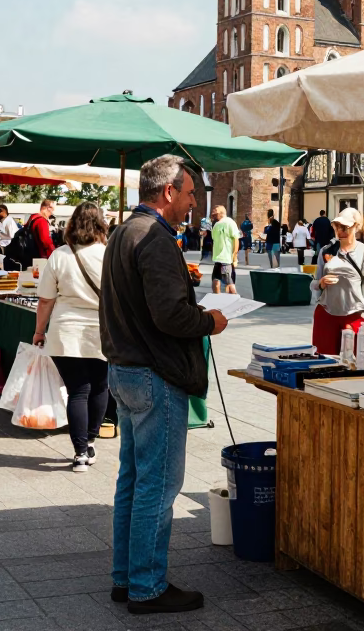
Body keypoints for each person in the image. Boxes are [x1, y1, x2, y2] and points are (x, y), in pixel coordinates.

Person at [100, 155, 228, 615]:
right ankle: (147, 586)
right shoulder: (153, 237)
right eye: (191, 193)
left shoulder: (123, 231)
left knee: (133, 480)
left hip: (127, 369)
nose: (195, 202)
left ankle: (126, 578)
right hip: (154, 374)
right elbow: (171, 315)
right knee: (157, 484)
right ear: (168, 192)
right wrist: (210, 320)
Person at [33, 202, 116, 471]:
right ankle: (90, 440)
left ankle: (80, 451)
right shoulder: (109, 254)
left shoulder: (59, 255)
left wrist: (38, 331)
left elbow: (46, 300)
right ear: (101, 224)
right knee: (100, 387)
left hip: (64, 332)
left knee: (78, 391)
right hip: (101, 332)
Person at [311, 208, 364, 355]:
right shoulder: (327, 251)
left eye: (345, 227)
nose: (340, 230)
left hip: (356, 314)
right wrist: (321, 283)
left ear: (356, 227)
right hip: (327, 313)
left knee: (356, 362)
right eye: (337, 226)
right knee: (325, 361)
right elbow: (313, 283)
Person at [209, 205, 241, 295]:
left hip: (221, 257)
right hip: (224, 258)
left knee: (219, 280)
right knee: (226, 281)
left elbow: (235, 240)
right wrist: (234, 257)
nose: (214, 216)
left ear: (221, 213)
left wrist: (234, 256)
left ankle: (220, 298)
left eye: (215, 214)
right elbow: (235, 240)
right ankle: (229, 299)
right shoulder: (227, 223)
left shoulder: (221, 224)